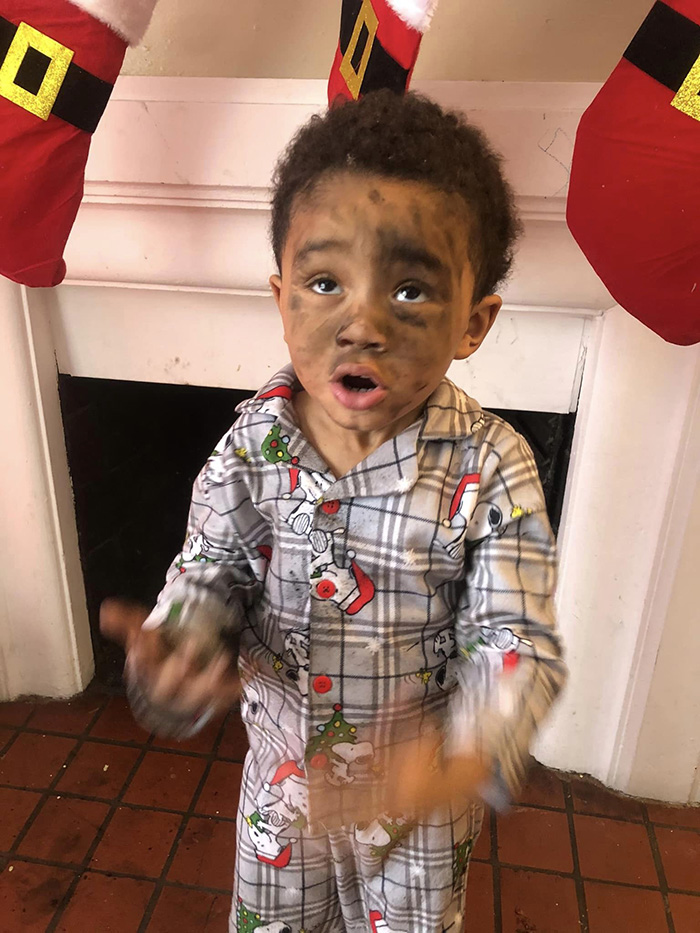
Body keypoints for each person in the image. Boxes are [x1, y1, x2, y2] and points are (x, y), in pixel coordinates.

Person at [101, 89, 567, 933]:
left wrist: (462, 759)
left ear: (474, 320)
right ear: (283, 300)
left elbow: (514, 637)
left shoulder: (492, 466)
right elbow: (212, 572)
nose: (361, 322)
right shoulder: (251, 445)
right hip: (281, 805)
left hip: (418, 814)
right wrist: (176, 653)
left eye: (412, 291)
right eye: (326, 282)